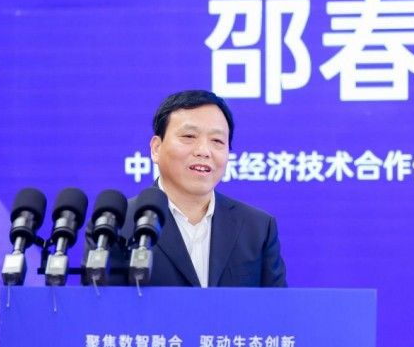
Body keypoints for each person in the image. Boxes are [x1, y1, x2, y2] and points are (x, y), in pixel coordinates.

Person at [93, 89, 287, 287]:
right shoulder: (115, 224)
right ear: (156, 148)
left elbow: (277, 305)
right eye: (189, 136)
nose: (204, 151)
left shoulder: (257, 228)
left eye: (217, 141)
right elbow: (99, 302)